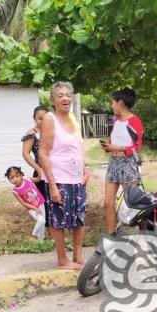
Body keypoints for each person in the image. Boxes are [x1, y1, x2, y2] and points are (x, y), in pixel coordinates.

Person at [38, 81, 90, 270]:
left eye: (68, 94)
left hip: (77, 177)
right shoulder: (50, 119)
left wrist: (85, 170)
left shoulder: (72, 119)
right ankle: (62, 260)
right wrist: (52, 186)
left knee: (79, 217)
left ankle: (77, 257)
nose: (66, 98)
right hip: (58, 178)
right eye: (60, 95)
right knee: (58, 219)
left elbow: (77, 149)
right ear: (53, 100)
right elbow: (43, 153)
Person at [100, 88, 144, 232]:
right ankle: (111, 234)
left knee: (131, 204)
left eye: (113, 102)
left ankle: (136, 236)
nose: (111, 106)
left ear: (120, 103)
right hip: (114, 163)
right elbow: (115, 140)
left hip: (128, 165)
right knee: (108, 202)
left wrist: (117, 147)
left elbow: (136, 148)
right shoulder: (117, 121)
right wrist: (108, 147)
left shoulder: (135, 121)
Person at [21, 105, 49, 218]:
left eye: (45, 118)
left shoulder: (53, 131)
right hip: (40, 172)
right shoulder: (31, 133)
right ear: (34, 118)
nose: (42, 121)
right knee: (43, 202)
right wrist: (38, 169)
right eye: (39, 118)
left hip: (55, 171)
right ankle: (47, 231)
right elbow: (25, 153)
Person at [6, 166, 46, 242]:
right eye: (12, 178)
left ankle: (40, 242)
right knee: (41, 221)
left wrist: (40, 169)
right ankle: (33, 235)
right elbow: (23, 203)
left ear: (21, 175)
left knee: (42, 224)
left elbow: (38, 179)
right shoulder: (15, 191)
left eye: (17, 176)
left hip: (40, 203)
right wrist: (34, 208)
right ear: (9, 180)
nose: (15, 179)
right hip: (31, 208)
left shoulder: (28, 179)